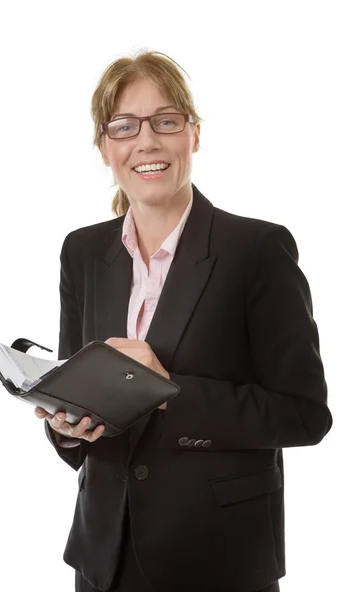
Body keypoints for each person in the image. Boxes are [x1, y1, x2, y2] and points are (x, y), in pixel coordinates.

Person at [34, 50, 332, 592]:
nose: (146, 141)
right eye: (124, 126)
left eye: (166, 122)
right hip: (104, 557)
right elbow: (78, 415)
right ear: (105, 147)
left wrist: (163, 390)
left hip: (217, 557)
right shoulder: (82, 251)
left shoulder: (257, 250)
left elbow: (305, 415)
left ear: (193, 135)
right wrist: (69, 426)